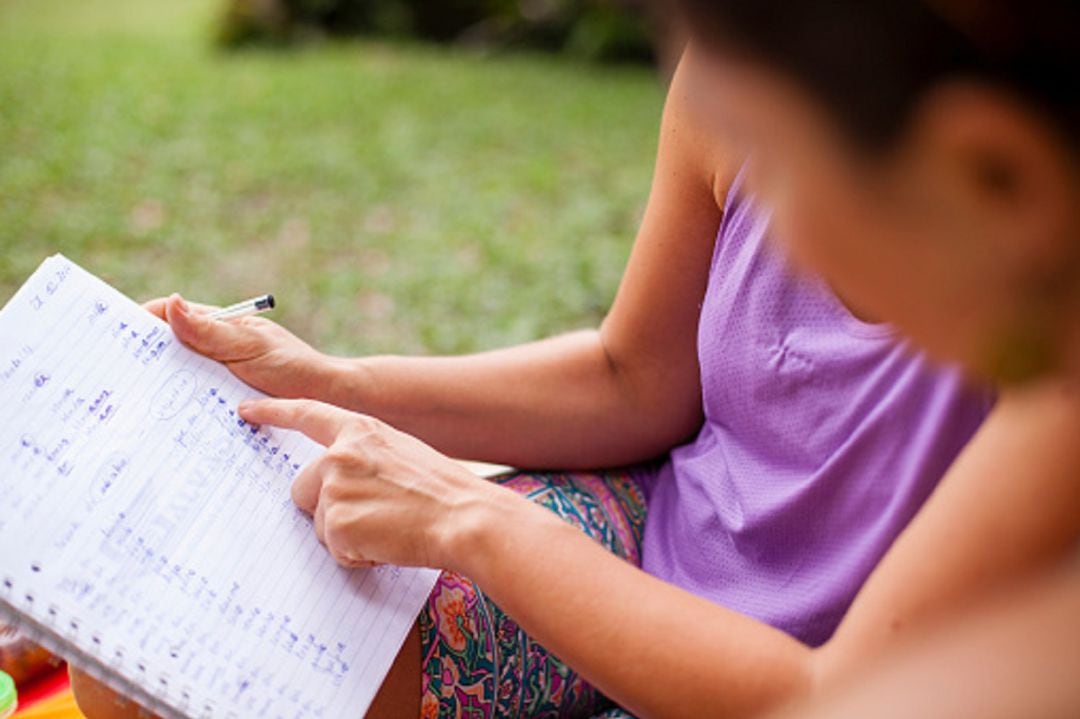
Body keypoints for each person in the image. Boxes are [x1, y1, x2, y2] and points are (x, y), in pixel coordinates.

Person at [71, 1, 1080, 717]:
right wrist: (325, 380)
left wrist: (474, 517)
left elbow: (833, 696)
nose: (784, 233)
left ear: (996, 173)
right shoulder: (751, 81)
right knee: (150, 665)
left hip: (809, 675)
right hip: (662, 541)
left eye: (786, 162)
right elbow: (633, 375)